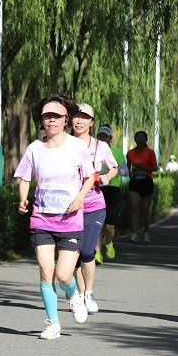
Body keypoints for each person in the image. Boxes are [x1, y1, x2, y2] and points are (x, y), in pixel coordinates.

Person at [14, 94, 96, 339]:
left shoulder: (77, 147)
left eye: (56, 116)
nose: (51, 120)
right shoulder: (34, 149)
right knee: (46, 271)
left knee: (63, 274)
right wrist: (23, 199)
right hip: (42, 219)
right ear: (41, 121)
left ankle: (73, 294)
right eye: (47, 117)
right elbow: (24, 177)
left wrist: (80, 197)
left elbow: (90, 177)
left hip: (70, 220)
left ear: (65, 119)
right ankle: (52, 323)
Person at [70, 105, 117, 313]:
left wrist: (108, 176)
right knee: (72, 254)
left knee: (87, 250)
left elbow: (113, 167)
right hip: (69, 207)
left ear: (91, 122)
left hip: (94, 205)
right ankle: (80, 293)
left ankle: (89, 292)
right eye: (76, 117)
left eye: (85, 117)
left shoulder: (100, 146)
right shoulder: (64, 143)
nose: (79, 121)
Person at [94, 125, 126, 262]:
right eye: (100, 136)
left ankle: (109, 241)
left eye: (105, 136)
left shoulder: (116, 153)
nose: (102, 139)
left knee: (109, 225)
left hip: (112, 189)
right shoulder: (92, 151)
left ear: (110, 139)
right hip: (95, 189)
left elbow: (125, 172)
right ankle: (97, 253)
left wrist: (110, 172)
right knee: (96, 223)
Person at [126, 130, 158, 244]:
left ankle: (146, 232)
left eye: (142, 138)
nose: (140, 140)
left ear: (145, 140)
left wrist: (143, 167)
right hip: (135, 182)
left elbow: (155, 168)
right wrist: (130, 175)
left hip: (146, 181)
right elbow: (128, 166)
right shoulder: (130, 153)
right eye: (138, 137)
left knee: (145, 208)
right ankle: (134, 233)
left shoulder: (150, 153)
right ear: (135, 139)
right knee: (134, 207)